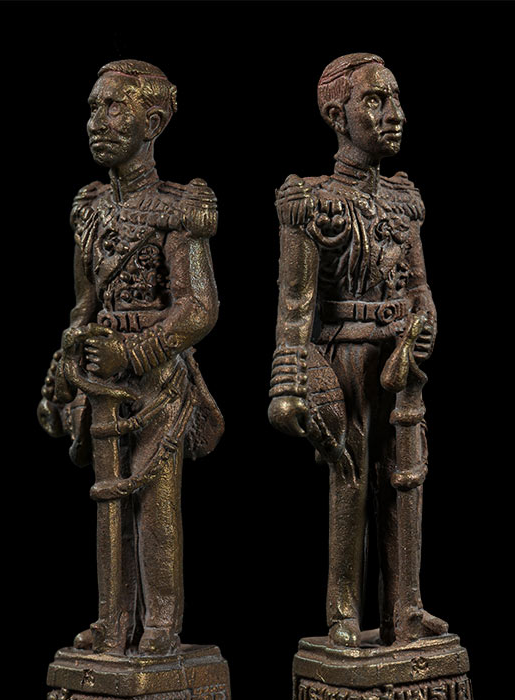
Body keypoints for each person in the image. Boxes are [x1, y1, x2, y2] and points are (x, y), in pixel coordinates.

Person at [38, 60, 223, 655]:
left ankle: (161, 623)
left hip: (156, 379)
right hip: (101, 376)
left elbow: (200, 307)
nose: (97, 121)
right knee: (108, 501)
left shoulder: (180, 208)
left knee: (153, 503)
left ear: (155, 121)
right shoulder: (89, 211)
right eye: (94, 108)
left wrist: (135, 351)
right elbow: (84, 304)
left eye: (114, 106)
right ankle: (112, 620)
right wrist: (71, 353)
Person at [268, 53, 447, 647]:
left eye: (394, 99)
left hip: (400, 359)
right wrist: (288, 383)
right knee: (349, 481)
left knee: (405, 481)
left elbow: (420, 287)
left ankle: (406, 608)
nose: (395, 114)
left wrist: (425, 327)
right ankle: (343, 611)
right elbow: (295, 306)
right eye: (375, 100)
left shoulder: (403, 200)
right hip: (343, 355)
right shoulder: (311, 202)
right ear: (335, 115)